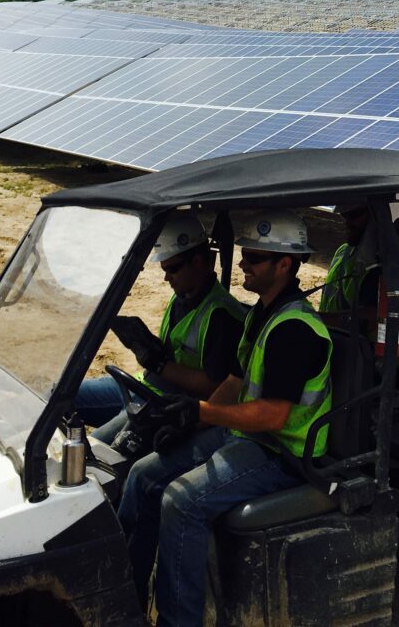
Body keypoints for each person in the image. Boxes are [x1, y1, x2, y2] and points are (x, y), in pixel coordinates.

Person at [116, 210, 332, 627]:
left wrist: (203, 410)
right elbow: (234, 381)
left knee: (182, 501)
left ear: (284, 265)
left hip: (283, 454)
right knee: (143, 474)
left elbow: (274, 414)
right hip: (244, 436)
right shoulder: (260, 315)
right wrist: (189, 424)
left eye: (253, 258)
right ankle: (127, 602)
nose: (243, 265)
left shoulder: (296, 330)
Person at [76, 213, 245, 443]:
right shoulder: (183, 296)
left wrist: (159, 365)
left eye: (173, 269)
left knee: (99, 448)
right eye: (164, 269)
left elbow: (216, 386)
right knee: (61, 397)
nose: (166, 278)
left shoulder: (222, 316)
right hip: (146, 383)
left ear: (197, 262)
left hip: (171, 404)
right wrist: (147, 345)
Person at [318, 203, 399, 369]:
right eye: (345, 216)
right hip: (339, 354)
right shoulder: (344, 252)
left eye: (354, 215)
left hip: (376, 371)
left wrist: (314, 318)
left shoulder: (391, 265)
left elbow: (368, 321)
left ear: (376, 217)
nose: (348, 222)